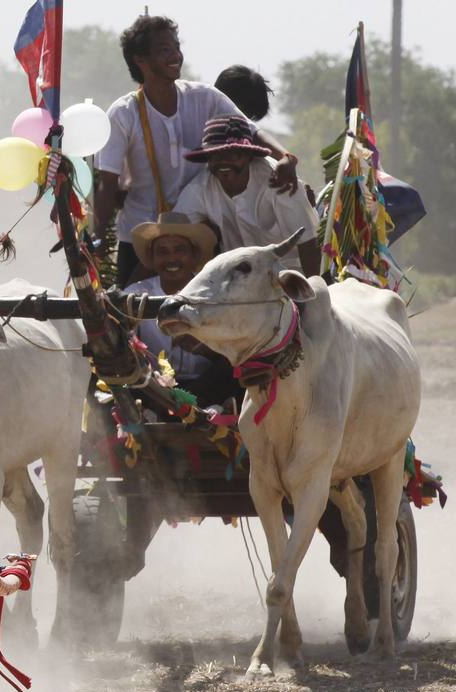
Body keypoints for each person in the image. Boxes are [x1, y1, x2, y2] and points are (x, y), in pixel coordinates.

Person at [94, 15, 300, 286]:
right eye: (164, 50)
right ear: (140, 60)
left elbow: (251, 131)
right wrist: (94, 241)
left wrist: (285, 158)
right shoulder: (122, 114)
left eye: (176, 47)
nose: (175, 55)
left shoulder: (204, 97)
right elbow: (107, 184)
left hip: (200, 236)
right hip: (141, 238)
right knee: (128, 313)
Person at [174, 116, 321, 275]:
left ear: (248, 156)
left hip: (290, 273)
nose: (223, 162)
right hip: (237, 280)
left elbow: (308, 243)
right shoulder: (199, 189)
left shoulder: (280, 180)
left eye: (232, 155)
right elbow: (173, 237)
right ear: (207, 160)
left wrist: (315, 293)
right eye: (215, 156)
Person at [125, 212, 240, 407]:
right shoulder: (136, 294)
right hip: (153, 389)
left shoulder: (218, 294)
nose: (172, 259)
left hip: (210, 387)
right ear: (152, 258)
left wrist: (204, 349)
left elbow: (237, 353)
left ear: (194, 255)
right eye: (162, 251)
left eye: (180, 250)